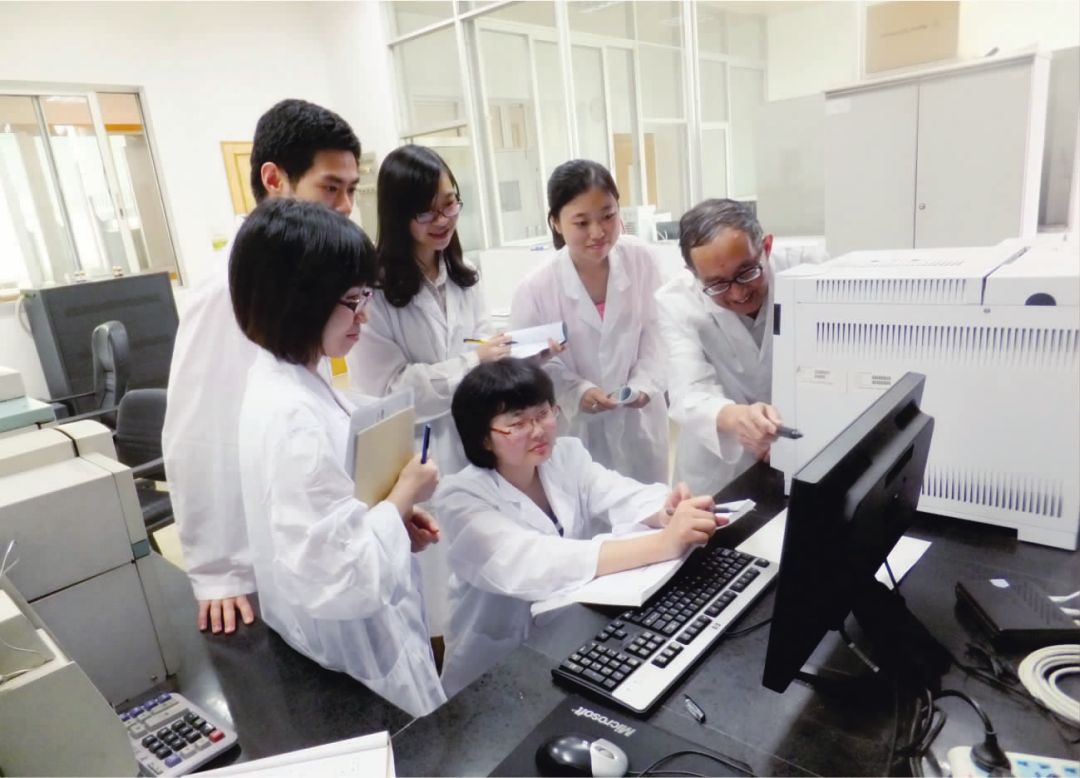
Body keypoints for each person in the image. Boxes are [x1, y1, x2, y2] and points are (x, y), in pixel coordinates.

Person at [230, 198, 445, 717]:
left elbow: (328, 520)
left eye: (365, 295)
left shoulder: (293, 379)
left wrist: (392, 520)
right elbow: (344, 577)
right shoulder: (293, 417)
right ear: (299, 299)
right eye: (352, 300)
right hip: (354, 662)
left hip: (345, 643)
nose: (364, 315)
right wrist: (403, 496)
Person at [162, 99, 361, 634]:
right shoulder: (226, 288)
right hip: (255, 554)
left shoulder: (301, 270)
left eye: (351, 189)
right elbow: (196, 435)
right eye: (330, 187)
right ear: (274, 179)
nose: (344, 206)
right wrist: (217, 571)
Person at [435, 359, 724, 697]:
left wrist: (666, 510)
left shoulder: (565, 455)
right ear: (483, 438)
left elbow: (615, 491)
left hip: (561, 637)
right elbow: (534, 561)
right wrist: (662, 544)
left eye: (543, 413)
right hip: (490, 663)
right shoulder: (459, 497)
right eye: (517, 423)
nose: (538, 430)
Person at [345, 144, 509, 639]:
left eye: (450, 203)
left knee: (484, 574)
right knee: (432, 589)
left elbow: (482, 340)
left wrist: (506, 357)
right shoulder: (373, 292)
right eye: (426, 211)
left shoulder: (463, 274)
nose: (443, 220)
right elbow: (392, 389)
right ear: (398, 215)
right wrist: (473, 363)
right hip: (416, 452)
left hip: (473, 438)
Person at [511, 160, 668, 484]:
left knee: (649, 505)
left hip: (639, 425)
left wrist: (645, 384)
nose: (598, 232)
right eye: (582, 222)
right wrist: (576, 391)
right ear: (556, 222)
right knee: (586, 505)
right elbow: (531, 365)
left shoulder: (641, 259)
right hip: (576, 431)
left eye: (608, 216)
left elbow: (659, 332)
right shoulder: (535, 289)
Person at [655, 199, 823, 496]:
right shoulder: (676, 302)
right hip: (719, 466)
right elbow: (689, 391)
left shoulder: (810, 271)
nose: (737, 293)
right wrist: (739, 419)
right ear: (693, 273)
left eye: (747, 272)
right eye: (717, 284)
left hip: (804, 442)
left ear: (766, 247)